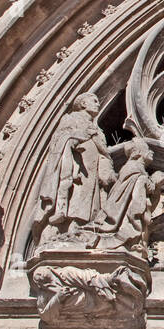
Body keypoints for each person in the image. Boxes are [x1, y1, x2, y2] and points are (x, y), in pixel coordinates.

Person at [33, 92, 115, 246]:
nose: (98, 104)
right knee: (77, 199)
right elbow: (59, 141)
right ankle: (68, 229)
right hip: (76, 170)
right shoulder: (71, 119)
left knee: (90, 202)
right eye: (94, 101)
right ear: (83, 104)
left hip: (92, 173)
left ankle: (82, 229)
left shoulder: (96, 129)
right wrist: (77, 137)